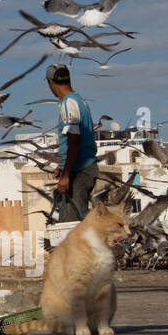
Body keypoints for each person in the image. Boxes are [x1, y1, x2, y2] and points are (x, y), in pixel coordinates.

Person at [46, 63, 99, 221]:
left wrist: (66, 175)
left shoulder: (68, 104)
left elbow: (74, 139)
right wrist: (62, 166)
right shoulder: (79, 101)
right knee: (73, 220)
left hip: (80, 171)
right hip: (84, 167)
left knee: (72, 224)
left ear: (51, 82)